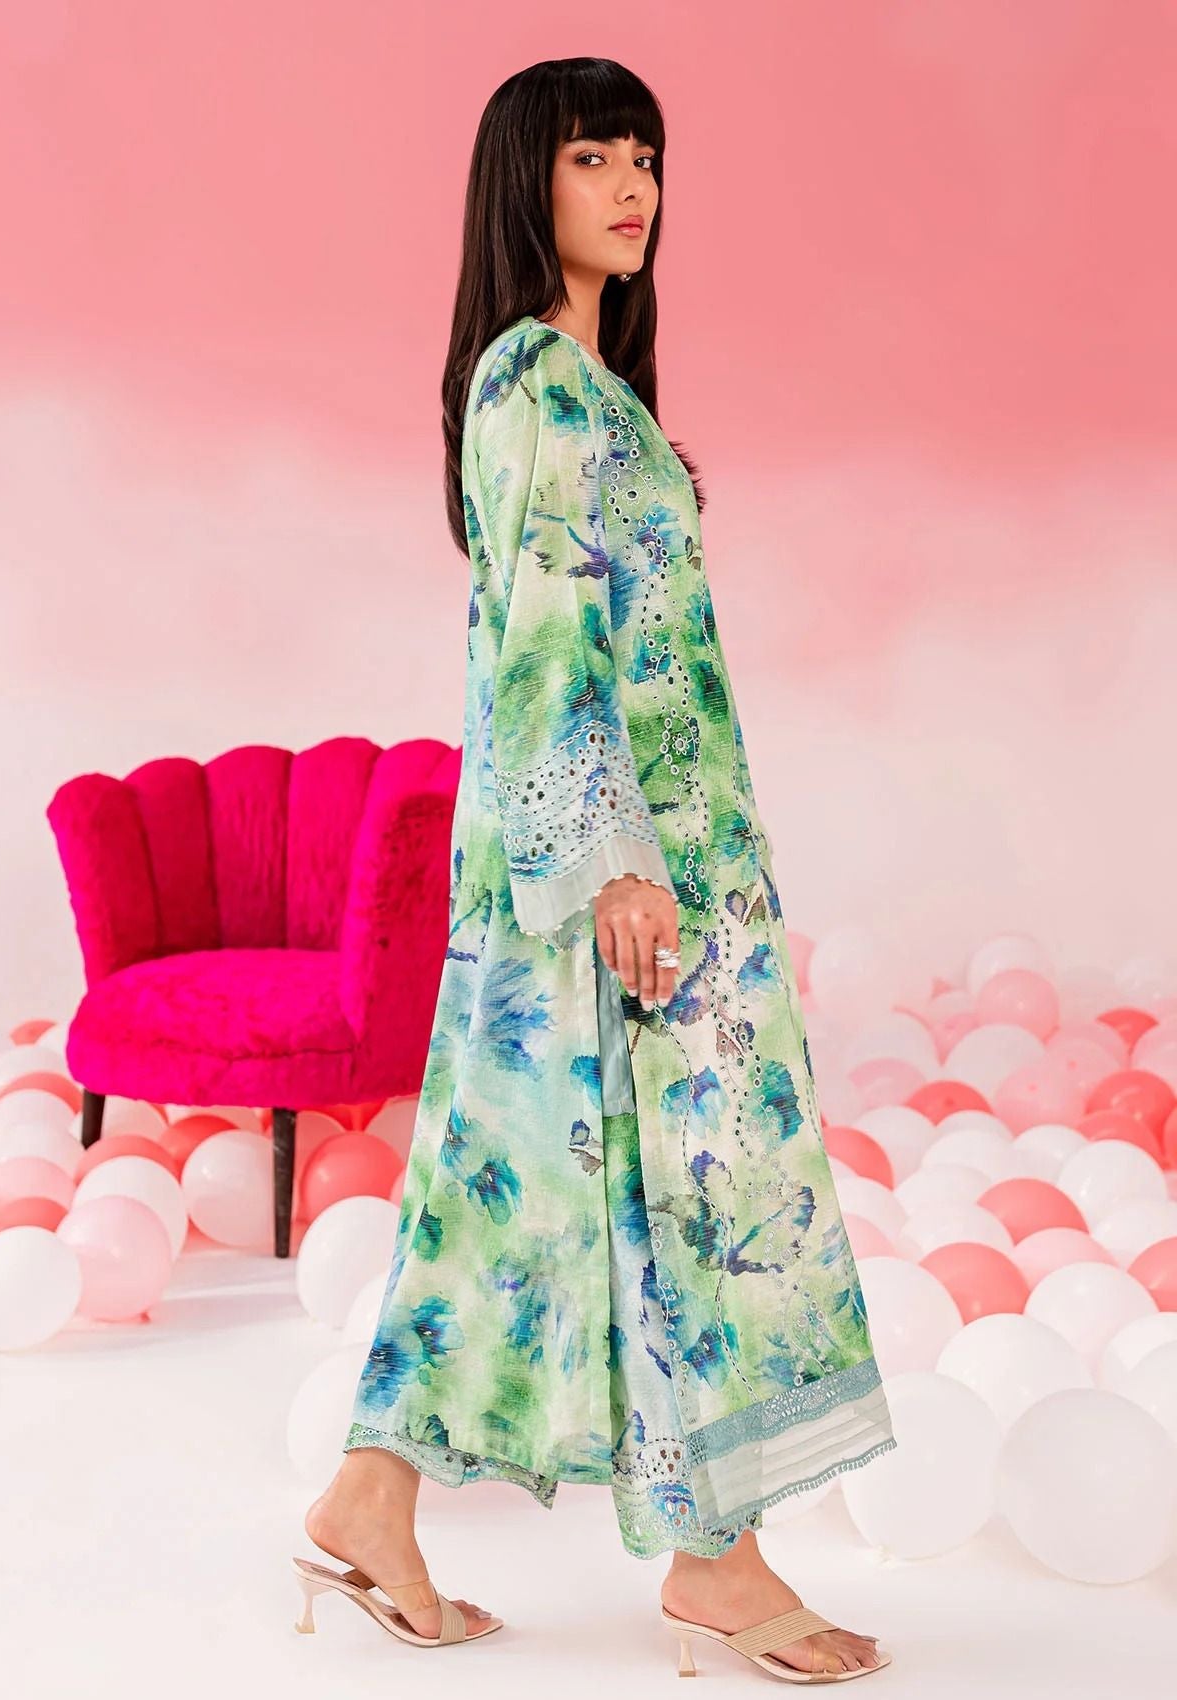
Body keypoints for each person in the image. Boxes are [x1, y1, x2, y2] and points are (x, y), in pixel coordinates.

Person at [294, 56, 897, 1679]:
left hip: (644, 863)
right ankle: (719, 1560)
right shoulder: (536, 384)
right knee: (685, 1189)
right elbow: (547, 643)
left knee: (524, 1185)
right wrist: (615, 864)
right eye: (592, 158)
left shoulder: (583, 384)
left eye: (646, 157)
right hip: (615, 879)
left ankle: (369, 1498)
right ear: (526, 181)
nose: (633, 187)